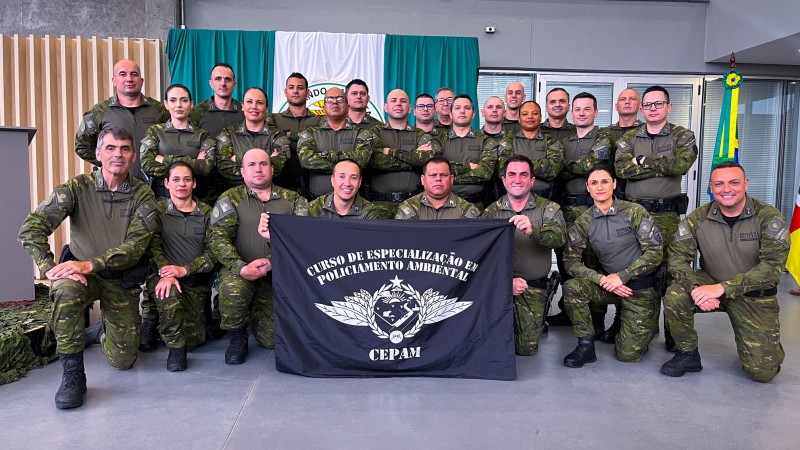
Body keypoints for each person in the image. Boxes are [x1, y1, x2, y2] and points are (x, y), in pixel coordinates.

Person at [18, 127, 156, 409]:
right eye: (111, 148)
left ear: (132, 157)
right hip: (81, 277)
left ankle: (101, 331)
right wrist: (48, 267)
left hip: (121, 279)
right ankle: (73, 375)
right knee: (64, 289)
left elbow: (135, 246)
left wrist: (91, 263)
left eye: (125, 149)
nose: (117, 154)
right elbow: (32, 227)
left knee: (124, 360)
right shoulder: (76, 187)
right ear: (98, 154)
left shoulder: (144, 194)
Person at [660, 162, 789, 382]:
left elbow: (772, 269)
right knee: (674, 294)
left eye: (734, 182)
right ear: (711, 187)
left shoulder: (768, 217)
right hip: (710, 281)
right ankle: (687, 353)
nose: (726, 189)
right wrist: (696, 287)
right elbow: (678, 258)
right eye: (719, 184)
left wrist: (722, 289)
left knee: (762, 373)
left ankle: (766, 346)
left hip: (752, 294)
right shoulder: (698, 218)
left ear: (746, 184)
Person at [615, 85, 698, 351]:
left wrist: (642, 161)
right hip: (634, 215)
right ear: (642, 109)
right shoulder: (628, 138)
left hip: (666, 215)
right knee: (636, 269)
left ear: (668, 107)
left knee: (668, 272)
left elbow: (681, 165)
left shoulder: (682, 135)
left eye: (658, 104)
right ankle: (639, 327)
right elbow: (621, 170)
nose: (653, 109)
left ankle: (673, 331)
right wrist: (659, 164)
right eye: (648, 105)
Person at [208, 148, 308, 364]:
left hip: (278, 274)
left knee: (270, 340)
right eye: (251, 165)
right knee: (232, 290)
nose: (258, 169)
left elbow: (303, 240)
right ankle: (237, 336)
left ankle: (254, 311)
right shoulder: (230, 199)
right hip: (240, 271)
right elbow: (217, 238)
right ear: (242, 172)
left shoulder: (293, 200)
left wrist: (272, 263)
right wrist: (240, 266)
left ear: (272, 169)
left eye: (263, 164)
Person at [562, 165, 663, 368]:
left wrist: (623, 276)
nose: (600, 187)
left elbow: (655, 252)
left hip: (640, 289)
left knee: (627, 355)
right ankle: (585, 345)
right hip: (609, 286)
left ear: (614, 184)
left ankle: (644, 325)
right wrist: (600, 279)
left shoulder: (633, 212)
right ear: (588, 188)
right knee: (572, 287)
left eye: (605, 181)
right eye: (594, 183)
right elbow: (570, 261)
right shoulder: (584, 221)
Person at [481, 155, 566, 355]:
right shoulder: (491, 212)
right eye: (512, 174)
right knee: (492, 342)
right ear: (504, 180)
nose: (517, 180)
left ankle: (533, 323)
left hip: (532, 286)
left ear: (532, 180)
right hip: (498, 285)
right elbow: (481, 254)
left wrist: (534, 230)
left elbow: (560, 238)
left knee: (526, 349)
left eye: (523, 175)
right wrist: (505, 281)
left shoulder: (548, 209)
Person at [549, 92, 613, 327]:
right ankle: (569, 312)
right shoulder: (564, 141)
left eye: (587, 109)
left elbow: (593, 166)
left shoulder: (603, 137)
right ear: (571, 112)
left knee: (595, 262)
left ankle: (596, 319)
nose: (582, 113)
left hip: (593, 209)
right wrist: (572, 168)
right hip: (567, 208)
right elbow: (556, 172)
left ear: (595, 112)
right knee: (569, 260)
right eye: (578, 109)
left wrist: (567, 167)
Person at [145, 162, 216, 371]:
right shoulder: (157, 211)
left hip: (194, 280)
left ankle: (162, 322)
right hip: (162, 276)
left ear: (194, 183)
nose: (181, 184)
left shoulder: (207, 214)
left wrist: (185, 269)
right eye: (175, 179)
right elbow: (152, 247)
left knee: (195, 340)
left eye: (187, 179)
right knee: (168, 291)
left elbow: (214, 253)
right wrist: (167, 271)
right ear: (166, 183)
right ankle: (176, 349)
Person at [595, 87, 643, 341]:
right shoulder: (606, 134)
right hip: (606, 203)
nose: (626, 103)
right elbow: (608, 168)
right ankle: (599, 320)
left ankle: (625, 320)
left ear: (640, 105)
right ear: (615, 106)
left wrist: (641, 162)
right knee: (601, 259)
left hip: (631, 205)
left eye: (632, 99)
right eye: (622, 99)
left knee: (629, 262)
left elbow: (625, 170)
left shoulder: (647, 132)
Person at [75, 59, 168, 180]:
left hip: (155, 186)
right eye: (122, 74)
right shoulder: (100, 111)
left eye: (134, 74)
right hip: (116, 186)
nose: (129, 79)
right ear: (114, 81)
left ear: (141, 81)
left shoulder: (159, 110)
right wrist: (110, 162)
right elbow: (82, 146)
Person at [368, 89, 441, 217]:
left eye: (403, 101)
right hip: (380, 204)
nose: (398, 104)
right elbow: (376, 161)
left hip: (413, 203)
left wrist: (390, 151)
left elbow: (427, 160)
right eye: (393, 100)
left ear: (409, 108)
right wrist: (413, 157)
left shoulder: (420, 135)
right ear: (385, 107)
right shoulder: (374, 132)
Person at [140, 83, 216, 200]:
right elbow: (147, 164)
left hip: (196, 201)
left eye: (184, 100)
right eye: (173, 100)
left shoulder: (202, 135)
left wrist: (164, 159)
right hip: (162, 201)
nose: (178, 105)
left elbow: (206, 167)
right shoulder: (155, 132)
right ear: (166, 104)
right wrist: (194, 162)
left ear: (191, 105)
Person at [297, 87, 373, 199]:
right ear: (323, 107)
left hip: (352, 204)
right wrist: (348, 163)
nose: (335, 102)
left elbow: (362, 160)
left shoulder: (361, 134)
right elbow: (306, 160)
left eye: (340, 99)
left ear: (348, 107)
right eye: (329, 99)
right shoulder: (309, 134)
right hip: (317, 203)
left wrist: (323, 155)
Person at [215, 87, 290, 189]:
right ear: (242, 106)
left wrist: (237, 158)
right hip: (235, 197)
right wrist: (266, 162)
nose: (254, 106)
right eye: (249, 102)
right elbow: (223, 167)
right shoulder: (228, 134)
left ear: (267, 107)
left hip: (269, 198)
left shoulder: (277, 136)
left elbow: (277, 168)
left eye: (259, 103)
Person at [439, 94, 504, 208]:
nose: (462, 111)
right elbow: (434, 173)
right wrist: (469, 167)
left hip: (477, 205)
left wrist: (448, 177)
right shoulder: (439, 141)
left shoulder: (486, 141)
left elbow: (485, 173)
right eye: (458, 108)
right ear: (450, 113)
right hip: (444, 205)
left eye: (467, 108)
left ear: (473, 114)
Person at [496, 101, 563, 200]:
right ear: (519, 119)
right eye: (525, 114)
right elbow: (502, 169)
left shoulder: (551, 141)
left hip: (544, 199)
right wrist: (540, 164)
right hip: (513, 199)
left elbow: (553, 169)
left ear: (540, 117)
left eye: (534, 113)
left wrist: (517, 167)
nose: (530, 116)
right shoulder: (508, 141)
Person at [271, 72, 321, 193]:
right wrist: (308, 140)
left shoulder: (320, 120)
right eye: (291, 87)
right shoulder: (273, 119)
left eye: (300, 87)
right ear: (285, 92)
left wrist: (287, 136)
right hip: (282, 186)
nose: (295, 91)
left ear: (307, 92)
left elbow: (320, 144)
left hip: (313, 186)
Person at [395, 157, 481, 220]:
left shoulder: (466, 210)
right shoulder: (409, 207)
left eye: (443, 175)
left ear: (451, 179)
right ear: (423, 179)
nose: (438, 179)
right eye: (433, 175)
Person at [308, 159, 383, 219]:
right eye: (341, 177)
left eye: (353, 178)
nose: (347, 183)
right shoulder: (315, 207)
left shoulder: (369, 212)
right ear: (332, 180)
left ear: (360, 182)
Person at [190, 63, 244, 139]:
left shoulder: (245, 111)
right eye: (218, 79)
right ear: (211, 84)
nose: (223, 83)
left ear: (234, 85)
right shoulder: (197, 112)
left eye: (227, 79)